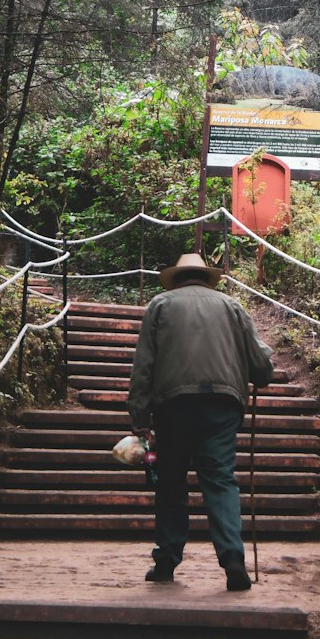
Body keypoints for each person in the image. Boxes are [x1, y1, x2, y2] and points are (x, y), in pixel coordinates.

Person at [127, 250, 274, 591]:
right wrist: (260, 370)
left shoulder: (160, 305)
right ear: (207, 278)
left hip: (173, 405)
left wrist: (139, 415)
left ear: (176, 278)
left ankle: (166, 561)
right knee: (220, 479)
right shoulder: (231, 306)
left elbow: (144, 365)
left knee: (171, 481)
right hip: (222, 405)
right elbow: (261, 367)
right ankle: (232, 558)